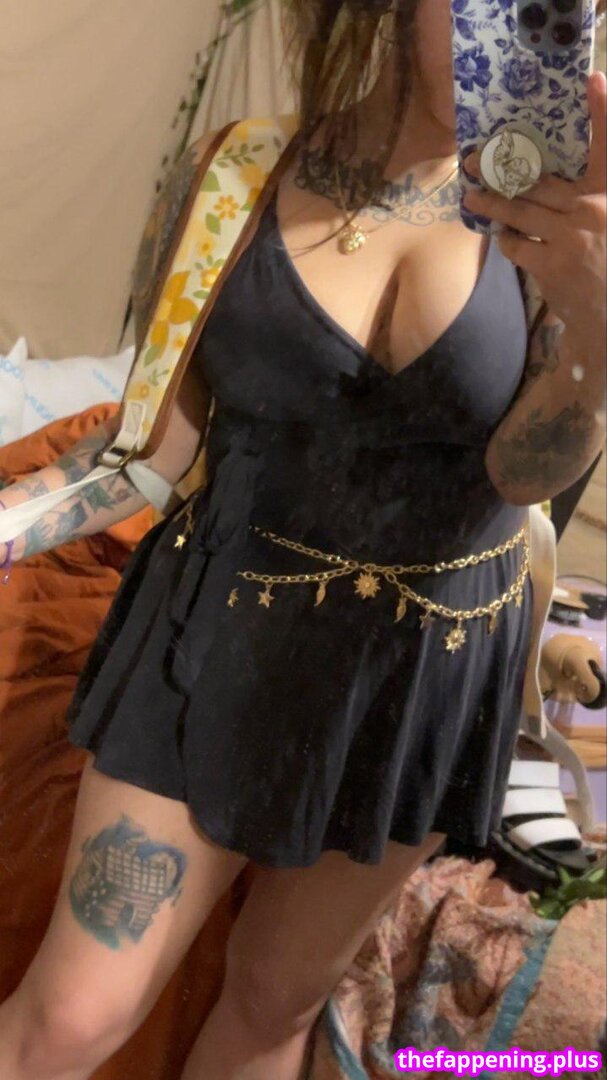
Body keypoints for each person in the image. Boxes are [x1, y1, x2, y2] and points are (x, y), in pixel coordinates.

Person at [0, 1, 605, 1077]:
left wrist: (598, 328)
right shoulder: (237, 172)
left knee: (275, 1003)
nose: (527, 31)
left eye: (563, 10)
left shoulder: (555, 217)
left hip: (422, 673)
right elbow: (141, 454)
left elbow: (523, 476)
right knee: (73, 1017)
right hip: (214, 639)